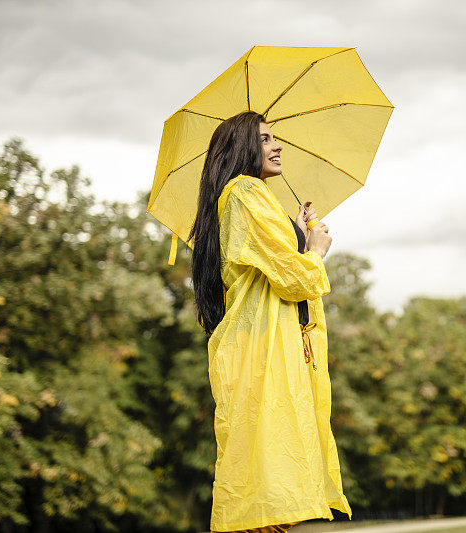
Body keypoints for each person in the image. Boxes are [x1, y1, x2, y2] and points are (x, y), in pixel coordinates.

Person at [188, 111, 353, 533]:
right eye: (264, 139)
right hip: (267, 355)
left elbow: (270, 260)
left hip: (257, 351)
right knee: (272, 482)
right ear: (242, 147)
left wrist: (295, 232)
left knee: (262, 476)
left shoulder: (239, 198)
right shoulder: (246, 192)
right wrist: (314, 249)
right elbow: (295, 278)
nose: (276, 146)